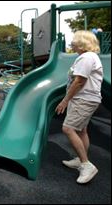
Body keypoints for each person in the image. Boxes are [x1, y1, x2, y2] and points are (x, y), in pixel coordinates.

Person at [55, 30, 103, 184]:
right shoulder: (86, 57)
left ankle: (86, 165)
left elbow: (79, 81)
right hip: (86, 98)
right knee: (82, 130)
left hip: (84, 98)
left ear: (82, 43)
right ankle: (81, 159)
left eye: (75, 41)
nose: (72, 43)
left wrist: (65, 100)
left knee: (68, 128)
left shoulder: (86, 57)